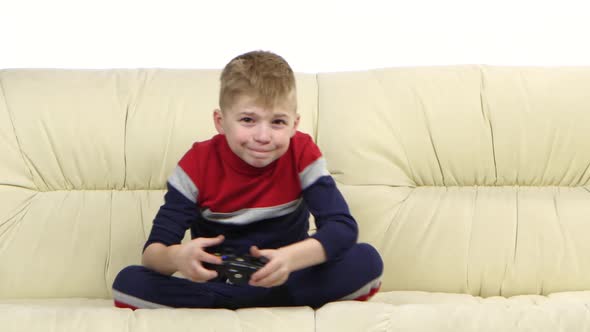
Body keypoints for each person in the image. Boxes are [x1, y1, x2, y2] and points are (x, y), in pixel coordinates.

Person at [112, 50, 383, 309]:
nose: (263, 136)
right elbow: (153, 253)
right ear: (221, 121)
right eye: (248, 120)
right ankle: (243, 299)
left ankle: (230, 303)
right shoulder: (197, 163)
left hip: (289, 275)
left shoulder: (302, 152)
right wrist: (177, 258)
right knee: (129, 280)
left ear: (294, 124)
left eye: (277, 122)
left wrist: (289, 259)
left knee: (367, 260)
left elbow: (341, 228)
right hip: (221, 281)